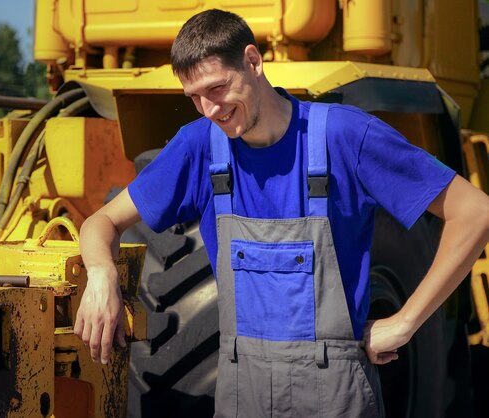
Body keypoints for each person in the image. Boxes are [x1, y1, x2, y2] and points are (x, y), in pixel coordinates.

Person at [73, 8, 489, 417]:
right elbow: (101, 222)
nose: (209, 109)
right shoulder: (200, 145)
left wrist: (405, 322)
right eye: (194, 97)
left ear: (253, 61)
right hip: (242, 394)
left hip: (337, 396)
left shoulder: (344, 136)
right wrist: (101, 274)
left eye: (217, 88)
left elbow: (474, 212)